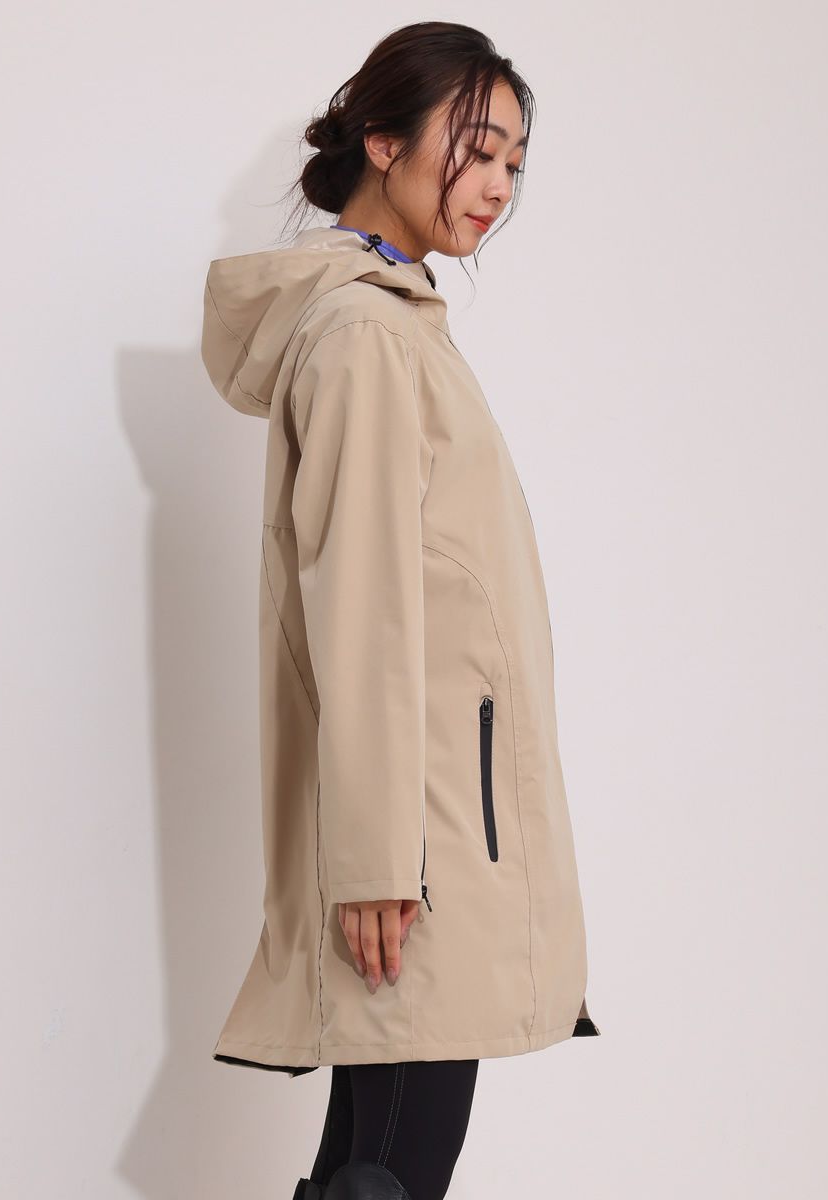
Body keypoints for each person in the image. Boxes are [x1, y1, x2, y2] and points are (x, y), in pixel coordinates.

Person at [200, 21, 600, 1200]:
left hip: (433, 825)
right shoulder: (368, 336)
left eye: (514, 161)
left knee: (374, 1158)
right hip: (418, 843)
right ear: (384, 139)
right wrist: (378, 862)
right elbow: (361, 602)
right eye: (476, 148)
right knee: (394, 1165)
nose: (498, 184)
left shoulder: (393, 323)